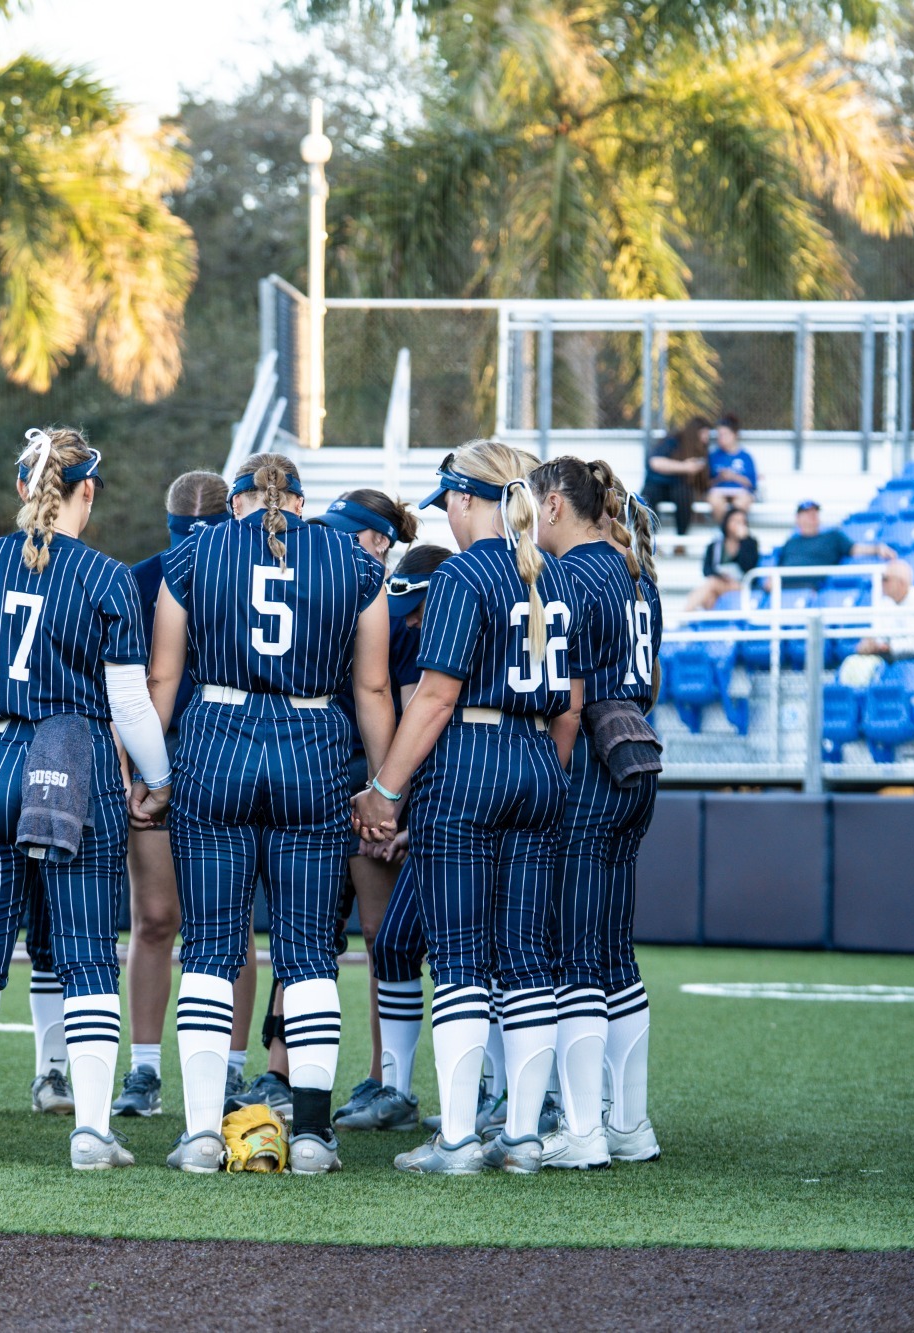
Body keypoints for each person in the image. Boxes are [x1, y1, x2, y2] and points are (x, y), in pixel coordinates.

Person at [0, 427, 173, 1170]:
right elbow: (129, 705)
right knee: (88, 952)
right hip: (76, 760)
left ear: (21, 490)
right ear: (85, 491)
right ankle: (92, 1131)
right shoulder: (105, 577)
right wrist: (156, 780)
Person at [147, 452, 394, 1175]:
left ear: (238, 501)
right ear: (303, 499)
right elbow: (373, 687)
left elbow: (164, 674)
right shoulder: (354, 563)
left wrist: (148, 774)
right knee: (309, 952)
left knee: (212, 948)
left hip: (216, 745)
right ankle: (313, 1135)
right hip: (312, 749)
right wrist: (383, 787)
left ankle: (199, 1133)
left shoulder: (196, 552)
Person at [352, 439, 582, 1177]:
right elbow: (571, 705)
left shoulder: (461, 576)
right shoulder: (555, 576)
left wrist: (386, 789)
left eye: (447, 502)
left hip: (471, 764)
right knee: (526, 958)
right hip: (539, 760)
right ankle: (519, 1135)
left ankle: (455, 1139)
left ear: (462, 499)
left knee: (458, 960)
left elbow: (437, 697)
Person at [528, 455, 663, 1170]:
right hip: (636, 751)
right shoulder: (633, 569)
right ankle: (630, 1123)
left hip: (589, 764)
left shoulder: (573, 575)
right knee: (613, 952)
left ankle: (583, 1132)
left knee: (576, 953)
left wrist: (548, 774)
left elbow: (570, 696)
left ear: (554, 504)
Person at [114, 470, 261, 1119]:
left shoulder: (247, 568)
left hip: (216, 758)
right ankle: (147, 1068)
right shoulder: (143, 577)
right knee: (159, 918)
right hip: (171, 756)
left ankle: (223, 1072)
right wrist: (134, 768)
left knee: (207, 924)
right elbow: (126, 682)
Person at [308, 489, 423, 1133]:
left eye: (351, 533)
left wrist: (388, 797)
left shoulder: (394, 602)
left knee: (384, 941)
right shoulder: (330, 585)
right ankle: (286, 1069)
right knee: (309, 936)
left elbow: (403, 708)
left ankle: (388, 1081)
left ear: (378, 541)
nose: (334, 540)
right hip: (324, 777)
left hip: (370, 787)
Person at [349, 542, 453, 1136]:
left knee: (479, 957)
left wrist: (399, 808)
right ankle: (395, 1088)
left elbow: (435, 717)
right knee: (392, 945)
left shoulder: (462, 626)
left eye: (417, 611)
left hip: (474, 803)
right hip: (439, 804)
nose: (410, 624)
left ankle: (506, 1099)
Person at [774, 500, 892, 589]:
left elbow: (854, 549)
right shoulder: (790, 542)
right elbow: (779, 567)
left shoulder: (832, 537)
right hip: (783, 589)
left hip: (811, 589)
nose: (812, 516)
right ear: (798, 518)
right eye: (807, 513)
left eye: (815, 512)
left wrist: (877, 549)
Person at [853, 559, 914, 663]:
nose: (882, 583)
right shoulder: (886, 603)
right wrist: (871, 643)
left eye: (886, 579)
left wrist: (889, 647)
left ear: (901, 582)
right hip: (894, 655)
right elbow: (881, 636)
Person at [639, 416, 709, 537]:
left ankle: (680, 540)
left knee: (685, 494)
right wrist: (685, 467)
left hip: (678, 488)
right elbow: (655, 462)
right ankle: (650, 540)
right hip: (657, 485)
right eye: (704, 434)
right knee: (647, 498)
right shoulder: (673, 441)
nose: (706, 438)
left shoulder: (700, 449)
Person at [685, 507, 760, 612]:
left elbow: (748, 566)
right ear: (727, 522)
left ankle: (684, 614)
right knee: (709, 598)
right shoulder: (715, 545)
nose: (739, 524)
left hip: (741, 585)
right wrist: (722, 577)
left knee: (711, 584)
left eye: (742, 522)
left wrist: (744, 541)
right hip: (721, 582)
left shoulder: (750, 543)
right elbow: (707, 570)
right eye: (735, 521)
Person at [704, 415, 758, 523]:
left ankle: (731, 534)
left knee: (740, 504)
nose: (721, 438)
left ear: (735, 435)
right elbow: (706, 484)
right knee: (715, 501)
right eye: (719, 435)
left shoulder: (745, 457)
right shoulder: (713, 456)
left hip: (741, 492)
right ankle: (725, 532)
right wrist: (720, 478)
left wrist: (733, 476)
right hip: (718, 491)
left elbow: (752, 484)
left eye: (725, 434)